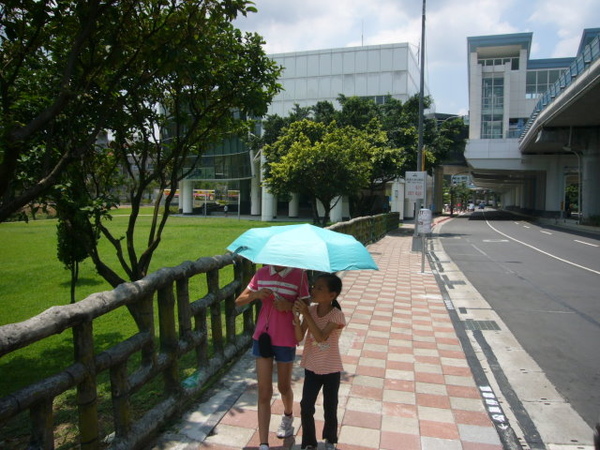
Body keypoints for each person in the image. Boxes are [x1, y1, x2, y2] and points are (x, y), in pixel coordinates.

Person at [235, 265, 310, 450]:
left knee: (284, 387)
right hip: (263, 338)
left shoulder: (299, 276)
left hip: (286, 338)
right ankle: (263, 443)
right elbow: (239, 301)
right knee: (264, 391)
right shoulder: (261, 274)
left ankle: (287, 415)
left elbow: (307, 306)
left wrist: (289, 306)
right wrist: (255, 294)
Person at [293, 273, 346, 450]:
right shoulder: (312, 311)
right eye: (314, 286)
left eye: (319, 288)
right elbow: (299, 337)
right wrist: (296, 318)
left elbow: (322, 337)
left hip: (331, 369)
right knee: (306, 406)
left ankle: (330, 440)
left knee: (330, 407)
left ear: (332, 295)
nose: (313, 290)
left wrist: (307, 314)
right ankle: (309, 441)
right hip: (312, 366)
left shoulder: (337, 316)